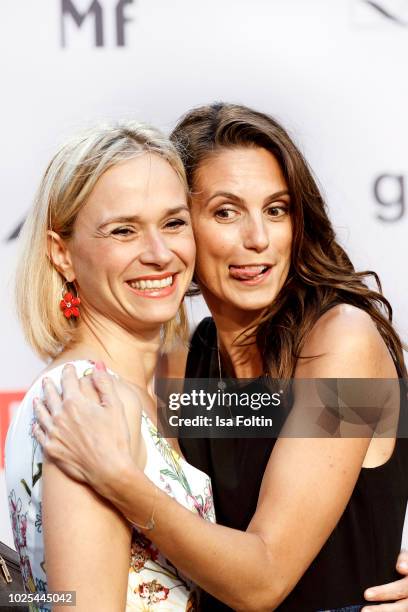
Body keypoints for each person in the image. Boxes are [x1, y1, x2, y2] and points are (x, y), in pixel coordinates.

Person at [33, 104, 408, 611]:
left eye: (276, 209)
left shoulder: (341, 339)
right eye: (225, 212)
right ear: (183, 226)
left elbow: (264, 579)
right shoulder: (188, 360)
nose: (257, 239)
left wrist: (120, 482)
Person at [5, 121, 215, 611]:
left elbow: (362, 420)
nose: (160, 254)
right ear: (62, 254)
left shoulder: (149, 390)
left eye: (173, 222)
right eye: (124, 230)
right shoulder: (89, 398)